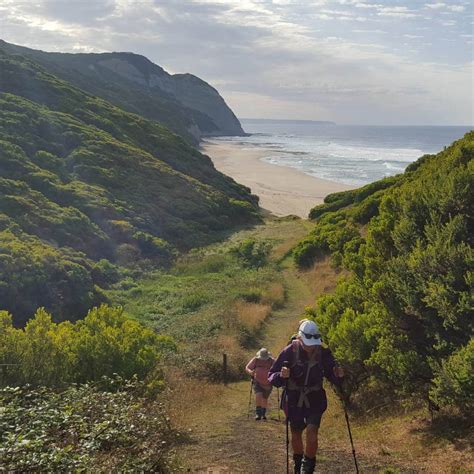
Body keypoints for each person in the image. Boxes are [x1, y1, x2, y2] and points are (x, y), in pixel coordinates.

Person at [268, 319, 344, 473]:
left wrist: (339, 375)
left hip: (315, 399)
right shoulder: (289, 351)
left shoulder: (323, 353)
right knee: (296, 434)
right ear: (300, 338)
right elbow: (272, 376)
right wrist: (282, 376)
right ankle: (298, 465)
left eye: (313, 343)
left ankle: (307, 469)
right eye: (308, 343)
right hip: (293, 399)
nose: (311, 347)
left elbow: (332, 375)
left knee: (312, 432)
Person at [245, 348, 275, 420]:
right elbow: (247, 367)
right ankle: (258, 414)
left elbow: (277, 368)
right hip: (257, 381)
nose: (263, 359)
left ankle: (263, 414)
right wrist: (250, 372)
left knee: (265, 398)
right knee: (258, 395)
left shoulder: (272, 361)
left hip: (268, 382)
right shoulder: (255, 360)